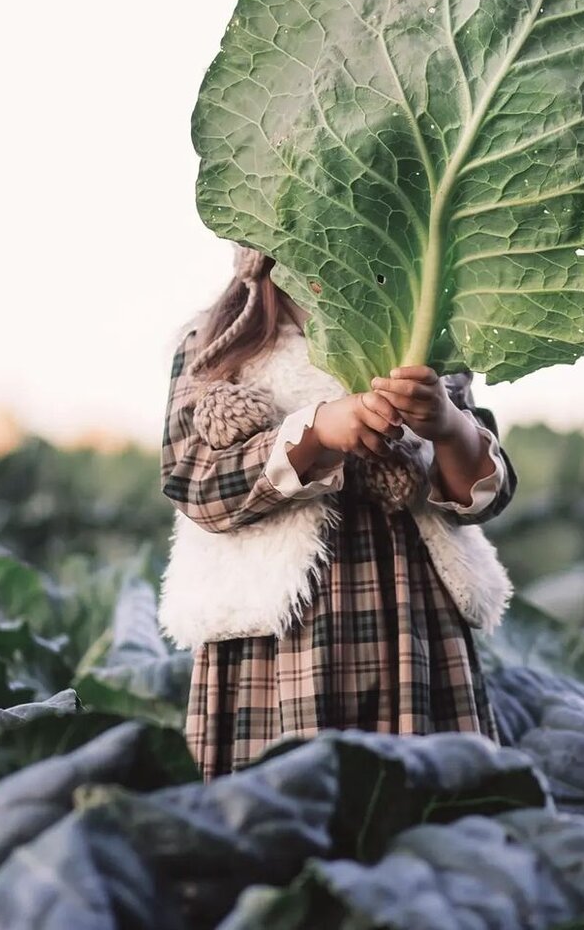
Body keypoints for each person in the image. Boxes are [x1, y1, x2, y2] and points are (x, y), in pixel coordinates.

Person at [160, 244, 518, 783]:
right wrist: (317, 432)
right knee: (284, 806)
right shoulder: (216, 344)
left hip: (411, 622)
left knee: (419, 805)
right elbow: (195, 484)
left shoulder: (425, 334)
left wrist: (448, 425)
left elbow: (490, 493)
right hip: (275, 640)